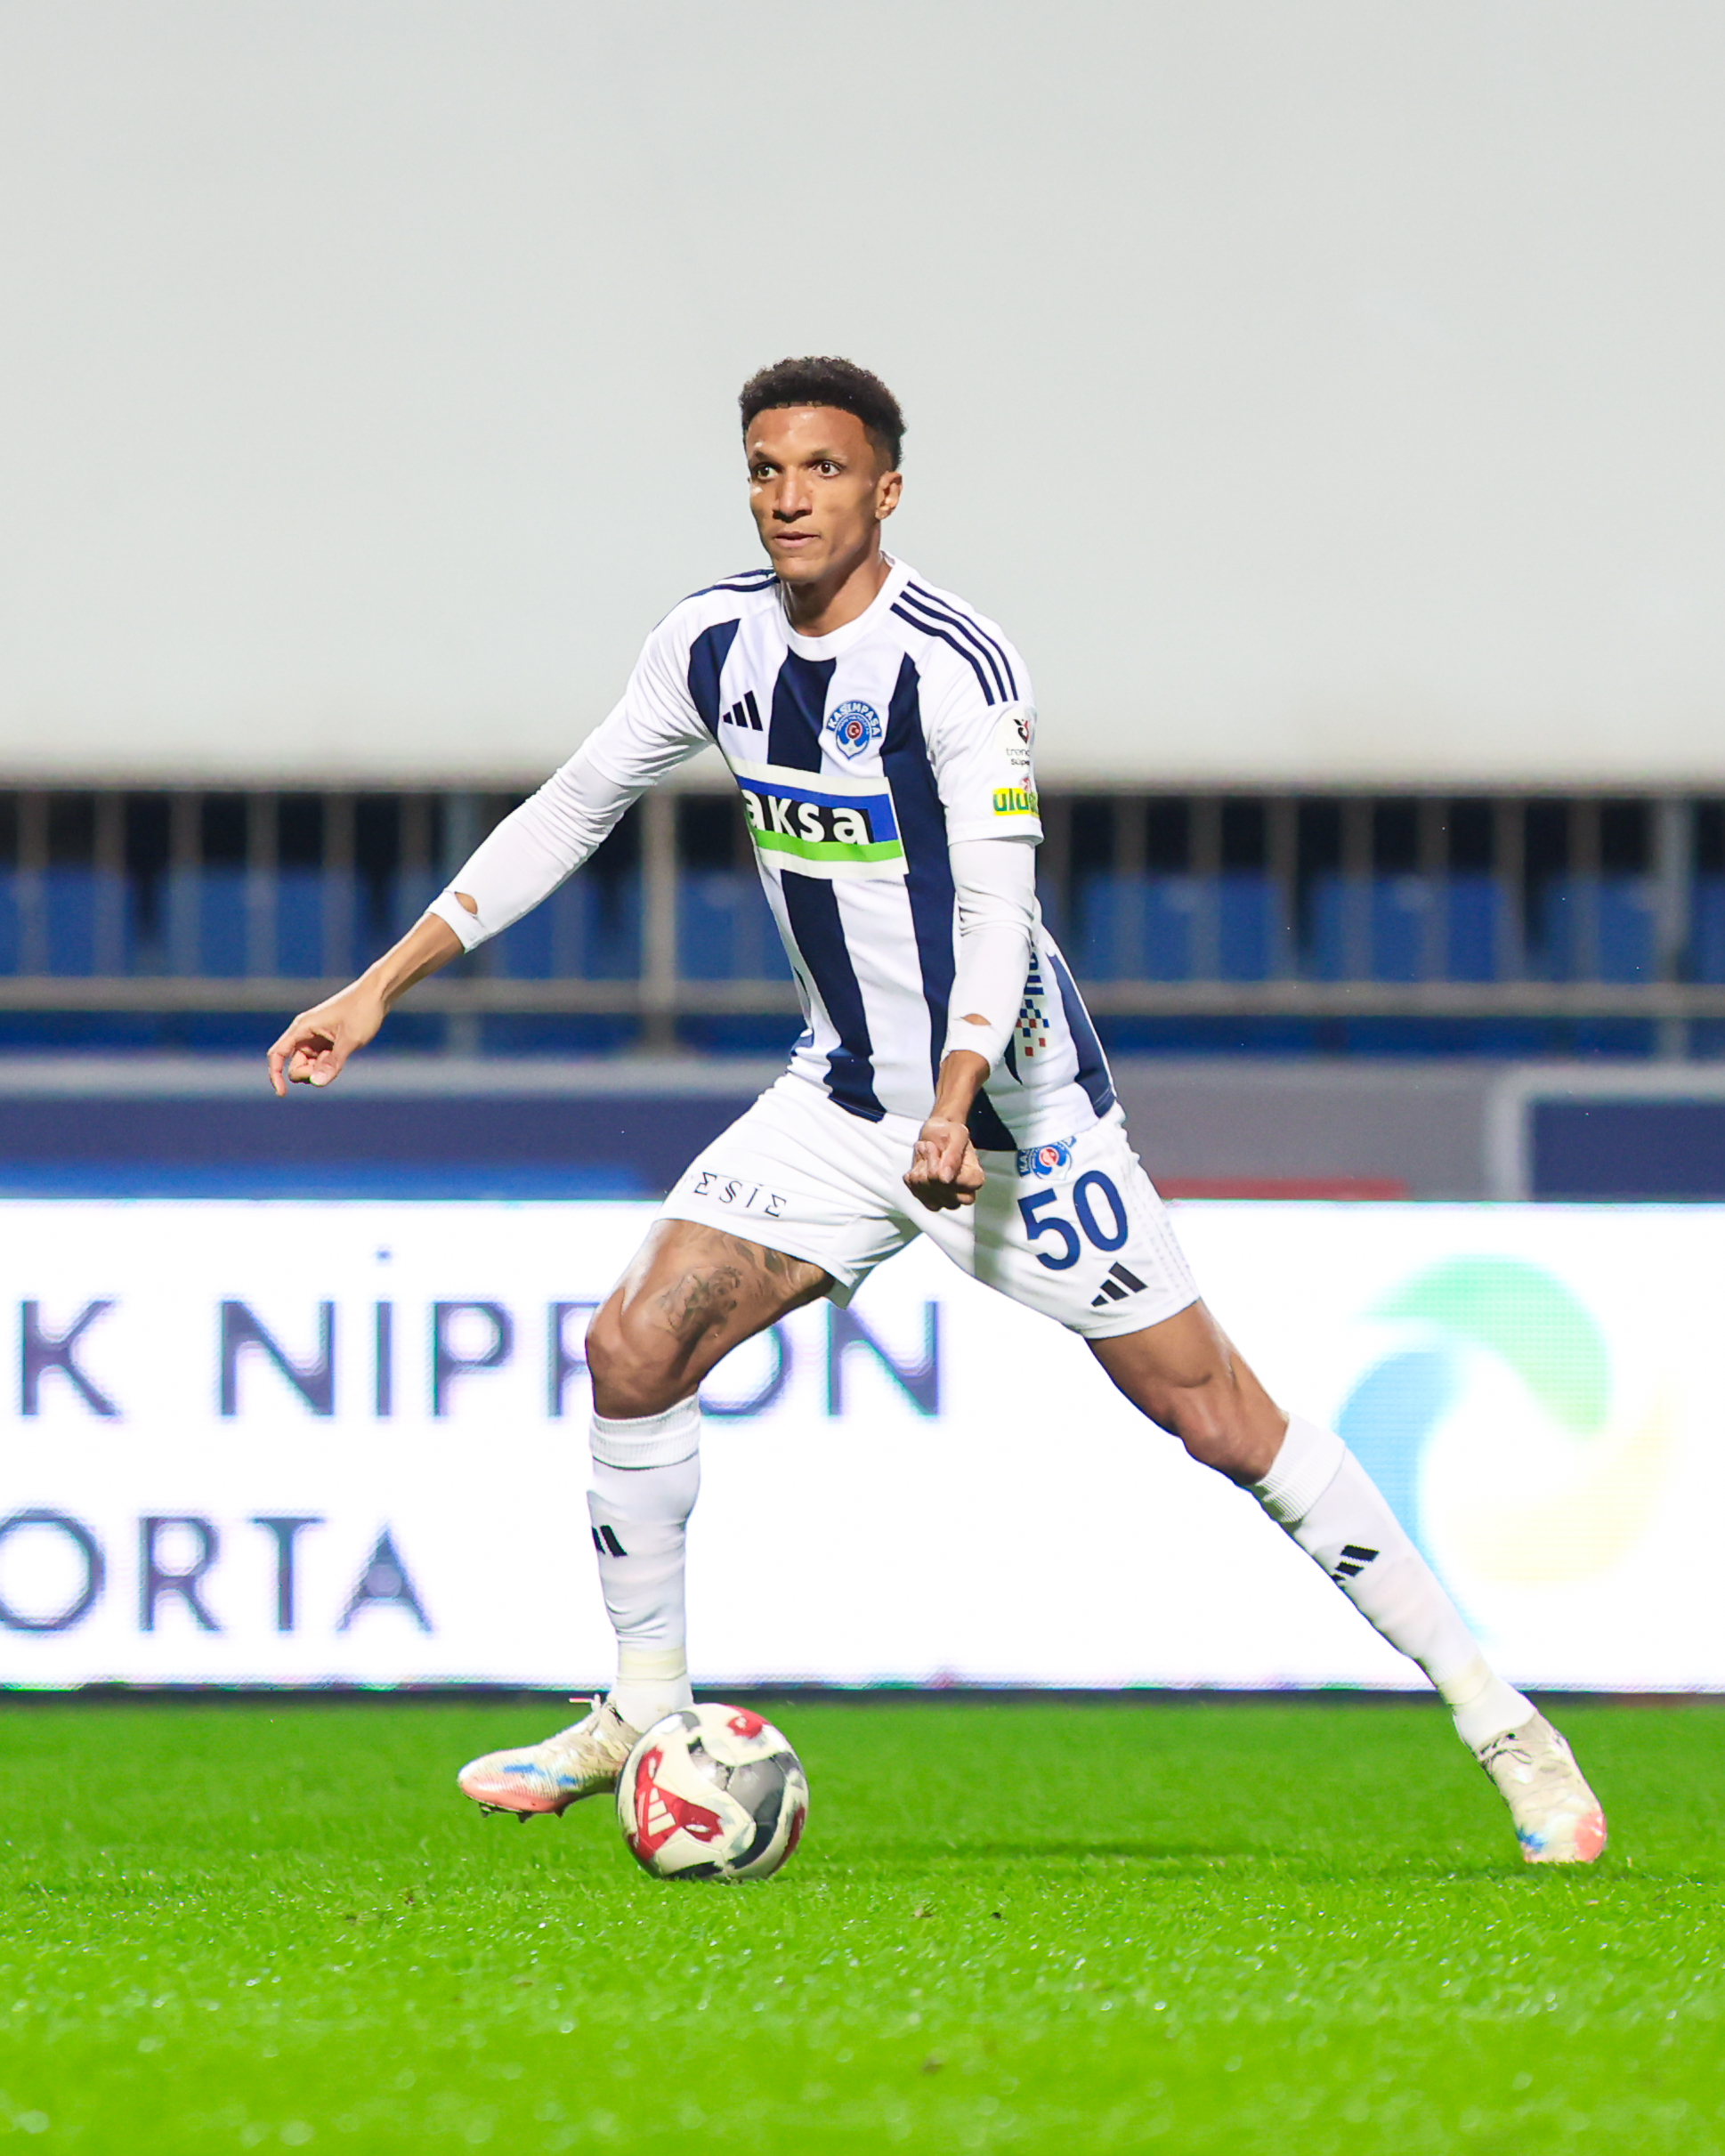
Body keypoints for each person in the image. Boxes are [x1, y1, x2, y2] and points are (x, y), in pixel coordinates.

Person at [266, 355, 1605, 1865]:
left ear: (885, 489)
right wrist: (380, 984)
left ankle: (1504, 1723)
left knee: (1215, 1417)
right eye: (766, 469)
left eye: (823, 470)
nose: (789, 498)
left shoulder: (952, 665)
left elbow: (994, 901)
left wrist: (960, 1095)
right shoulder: (708, 644)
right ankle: (643, 1708)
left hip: (1017, 1118)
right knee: (631, 1346)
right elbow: (573, 806)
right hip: (841, 1097)